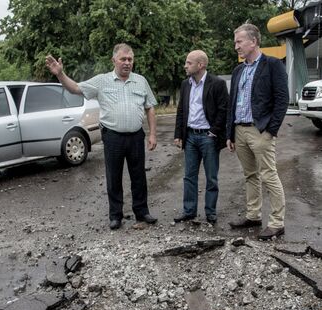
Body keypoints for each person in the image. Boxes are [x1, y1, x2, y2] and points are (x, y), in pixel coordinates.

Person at [45, 43, 158, 230]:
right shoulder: (102, 81)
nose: (127, 63)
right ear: (114, 60)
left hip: (136, 136)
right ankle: (115, 216)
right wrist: (60, 74)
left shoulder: (140, 81)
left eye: (130, 59)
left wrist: (153, 134)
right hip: (113, 136)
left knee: (139, 176)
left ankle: (142, 212)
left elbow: (150, 107)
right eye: (123, 59)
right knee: (114, 176)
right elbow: (75, 88)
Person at [226, 23, 288, 240]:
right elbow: (232, 102)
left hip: (260, 131)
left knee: (269, 175)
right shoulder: (238, 70)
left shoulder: (272, 64)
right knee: (250, 175)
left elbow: (282, 99)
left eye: (239, 41)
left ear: (253, 41)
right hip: (239, 130)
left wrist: (271, 131)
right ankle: (253, 215)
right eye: (235, 42)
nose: (236, 47)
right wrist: (229, 134)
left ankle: (277, 223)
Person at [173, 50, 228, 224]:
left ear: (200, 65)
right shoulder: (185, 84)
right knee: (189, 176)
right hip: (190, 136)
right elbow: (181, 110)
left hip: (208, 137)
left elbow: (223, 110)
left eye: (189, 63)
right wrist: (178, 134)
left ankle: (210, 212)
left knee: (211, 177)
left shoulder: (217, 83)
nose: (185, 66)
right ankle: (189, 211)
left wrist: (214, 131)